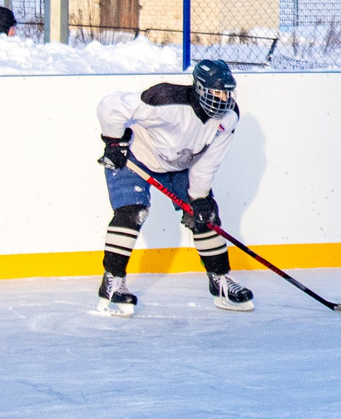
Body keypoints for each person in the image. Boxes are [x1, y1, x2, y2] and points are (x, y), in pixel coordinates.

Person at [92, 58, 249, 316]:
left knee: (205, 215)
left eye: (227, 92)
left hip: (177, 167)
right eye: (216, 92)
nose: (223, 99)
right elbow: (111, 106)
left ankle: (220, 280)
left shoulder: (228, 119)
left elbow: (208, 161)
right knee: (132, 212)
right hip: (135, 159)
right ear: (200, 89)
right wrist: (113, 142)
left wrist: (198, 198)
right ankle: (113, 281)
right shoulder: (165, 100)